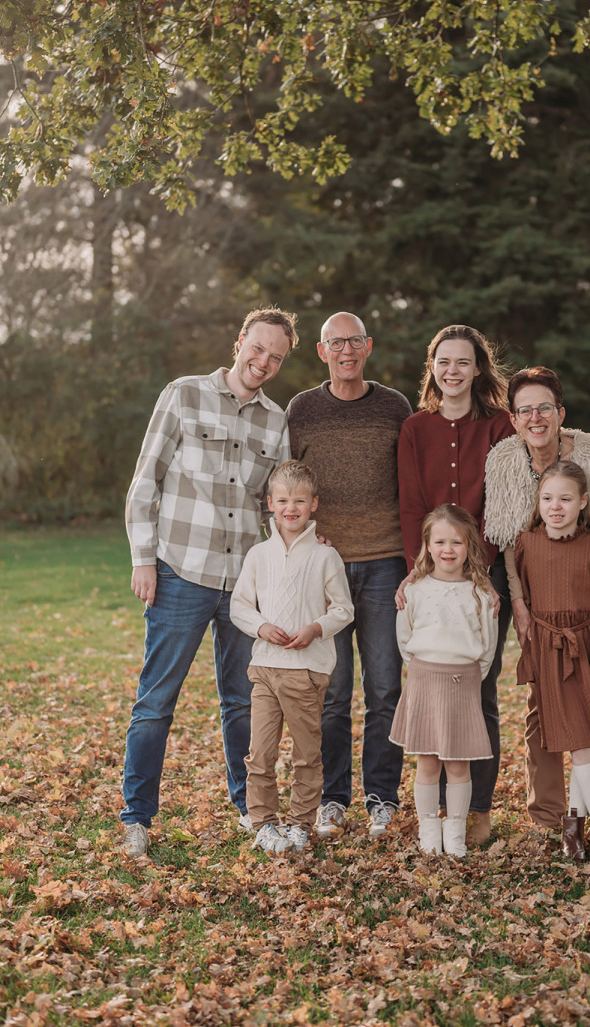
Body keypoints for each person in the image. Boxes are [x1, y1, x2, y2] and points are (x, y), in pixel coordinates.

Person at [121, 306, 299, 858]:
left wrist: (282, 580)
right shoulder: (183, 393)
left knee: (244, 702)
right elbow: (145, 480)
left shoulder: (276, 422)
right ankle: (137, 818)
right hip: (181, 572)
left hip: (245, 584)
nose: (263, 362)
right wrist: (143, 559)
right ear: (240, 340)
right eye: (258, 348)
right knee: (156, 700)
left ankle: (249, 808)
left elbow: (279, 508)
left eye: (276, 356)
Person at [484, 366, 590, 843]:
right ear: (513, 418)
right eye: (525, 409)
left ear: (560, 412)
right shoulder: (503, 461)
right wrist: (521, 605)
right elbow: (508, 541)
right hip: (537, 602)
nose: (536, 417)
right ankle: (551, 821)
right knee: (543, 708)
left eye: (544, 407)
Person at [286, 312, 412, 838]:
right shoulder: (302, 409)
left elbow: (412, 483)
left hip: (385, 563)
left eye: (354, 341)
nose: (346, 350)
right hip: (326, 571)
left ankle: (382, 796)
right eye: (336, 342)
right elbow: (285, 485)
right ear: (321, 351)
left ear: (368, 347)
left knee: (384, 689)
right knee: (332, 694)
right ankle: (332, 799)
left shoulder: (394, 407)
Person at [396, 324, 513, 843]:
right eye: (444, 362)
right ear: (433, 367)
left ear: (477, 369)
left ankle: (476, 809)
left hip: (485, 578)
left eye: (463, 362)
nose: (453, 371)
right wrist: (420, 571)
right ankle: (434, 812)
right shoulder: (414, 429)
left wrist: (477, 574)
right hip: (428, 576)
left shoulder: (500, 427)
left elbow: (503, 505)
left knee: (479, 688)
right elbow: (410, 506)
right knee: (429, 688)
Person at [230, 461, 354, 855]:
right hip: (266, 668)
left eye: (299, 500)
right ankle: (264, 823)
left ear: (314, 504)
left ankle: (301, 823)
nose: (291, 508)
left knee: (305, 754)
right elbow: (239, 605)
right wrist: (261, 627)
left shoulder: (324, 557)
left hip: (306, 670)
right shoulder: (258, 555)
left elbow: (343, 609)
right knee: (260, 755)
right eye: (283, 500)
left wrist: (315, 628)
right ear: (270, 503)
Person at [515, 461, 590, 866]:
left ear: (582, 502)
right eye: (547, 498)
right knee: (580, 745)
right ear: (538, 502)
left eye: (565, 499)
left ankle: (572, 831)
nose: (556, 507)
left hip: (589, 649)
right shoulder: (525, 545)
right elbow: (523, 603)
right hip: (551, 653)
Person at [390, 505, 497, 858]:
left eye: (456, 542)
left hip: (464, 683)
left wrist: (468, 676)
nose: (448, 549)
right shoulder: (415, 590)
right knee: (428, 763)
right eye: (440, 541)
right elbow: (405, 639)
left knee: (458, 763)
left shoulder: (480, 593)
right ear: (428, 545)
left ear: (469, 548)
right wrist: (423, 671)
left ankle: (455, 831)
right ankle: (428, 828)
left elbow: (488, 646)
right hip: (424, 678)